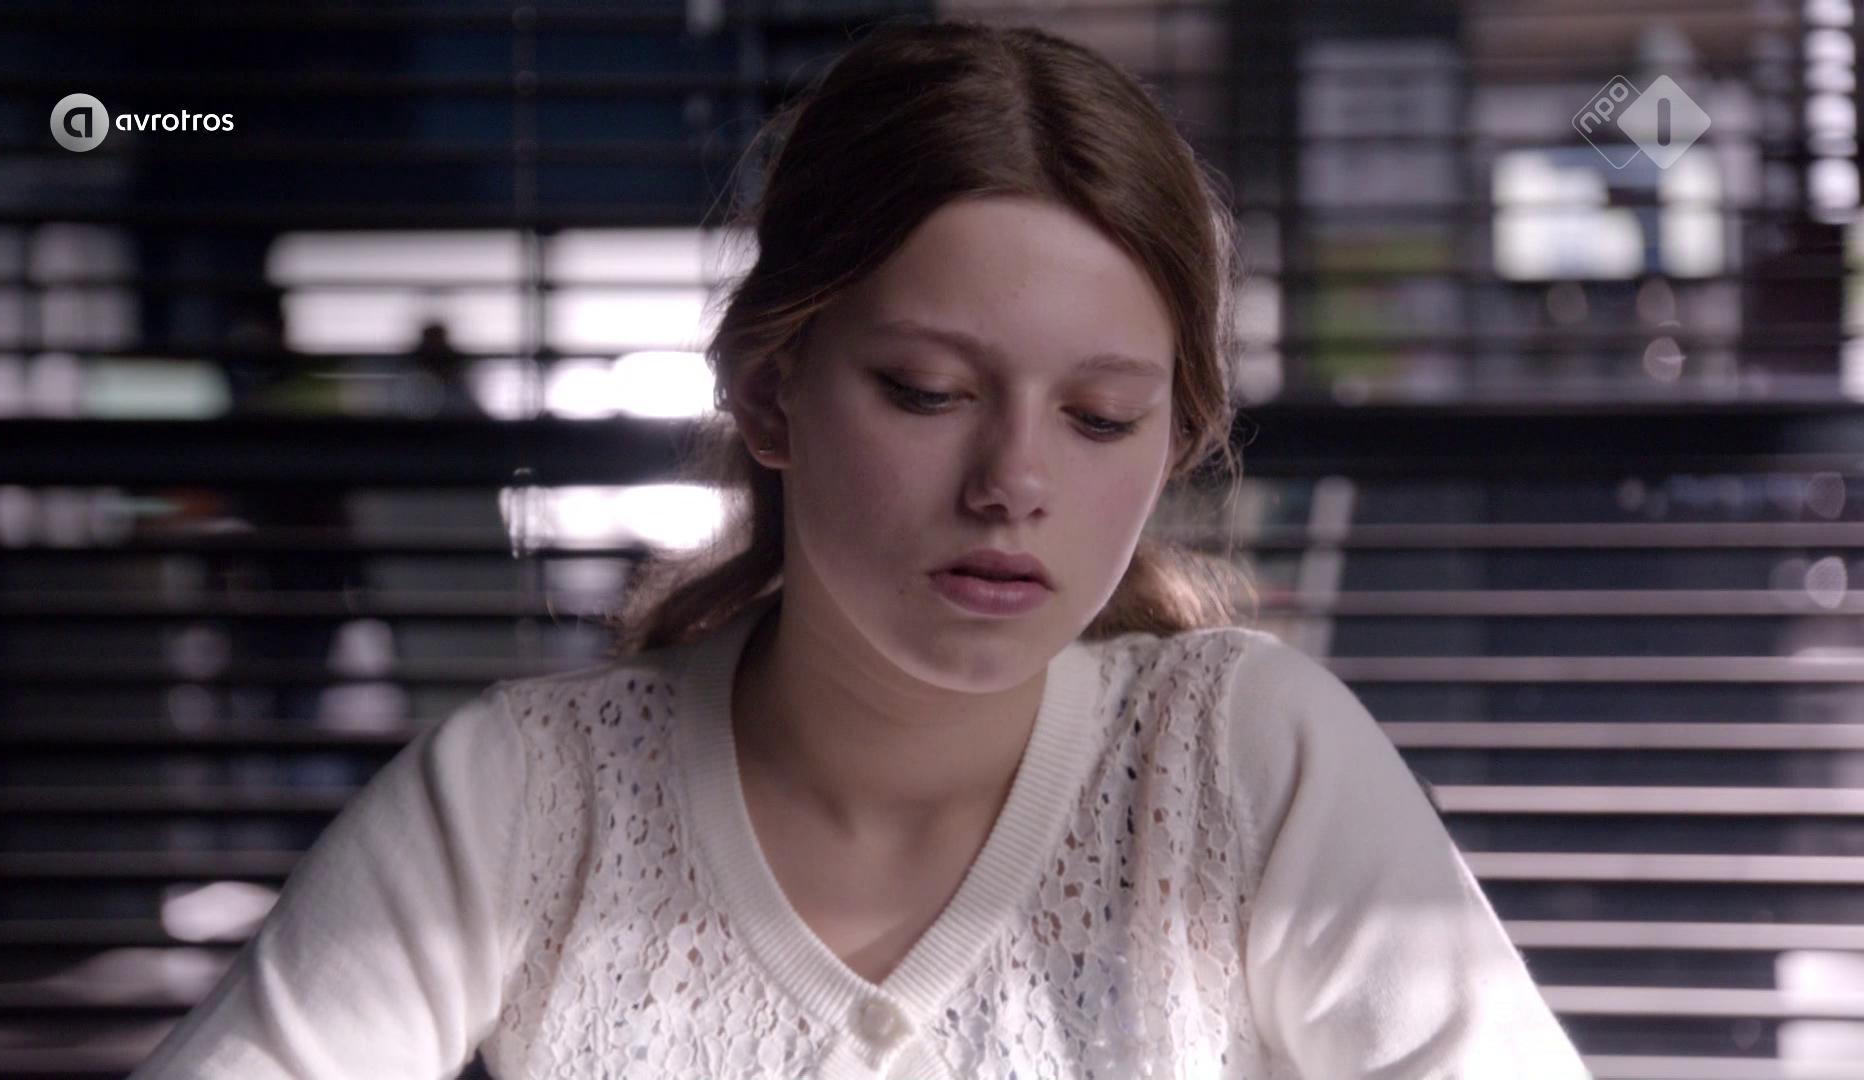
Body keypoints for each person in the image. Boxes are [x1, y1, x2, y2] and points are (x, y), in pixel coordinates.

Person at [129, 18, 1594, 1080]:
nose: (1013, 484)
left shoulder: (1243, 764)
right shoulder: (525, 802)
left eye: (1099, 418)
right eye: (928, 393)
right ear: (771, 394)